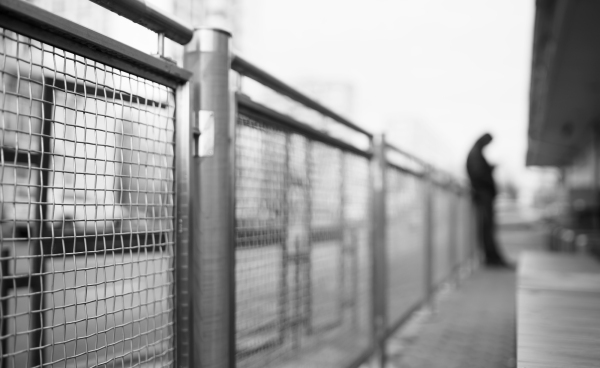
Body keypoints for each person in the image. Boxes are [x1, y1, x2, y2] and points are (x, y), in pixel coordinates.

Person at [466, 133, 510, 267]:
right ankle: (492, 258)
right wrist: (489, 172)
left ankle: (492, 257)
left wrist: (489, 168)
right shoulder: (475, 153)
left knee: (488, 228)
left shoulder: (476, 152)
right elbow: (477, 174)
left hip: (484, 194)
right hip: (483, 195)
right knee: (487, 228)